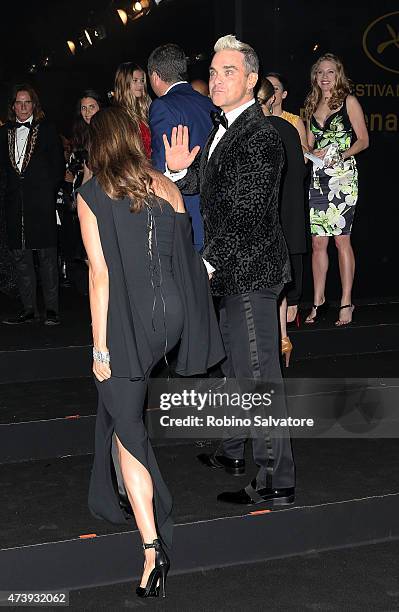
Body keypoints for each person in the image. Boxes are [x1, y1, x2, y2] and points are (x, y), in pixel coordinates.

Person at [77, 106, 224, 598]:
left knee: (129, 426)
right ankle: (112, 492)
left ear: (97, 145)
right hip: (174, 319)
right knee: (118, 409)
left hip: (129, 322)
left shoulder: (92, 191)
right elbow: (186, 252)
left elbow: (100, 274)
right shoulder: (165, 185)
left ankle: (152, 545)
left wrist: (100, 348)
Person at [164, 35, 295, 507]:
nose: (217, 80)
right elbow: (207, 180)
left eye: (228, 72)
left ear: (251, 80)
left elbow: (244, 214)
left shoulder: (261, 136)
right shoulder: (228, 127)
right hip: (232, 273)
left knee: (259, 380)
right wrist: (180, 172)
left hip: (251, 274)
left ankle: (276, 479)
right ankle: (239, 453)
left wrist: (205, 262)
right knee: (240, 373)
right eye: (214, 72)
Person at [304, 53, 369, 326]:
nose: (325, 77)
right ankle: (318, 302)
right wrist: (312, 152)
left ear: (338, 75)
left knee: (342, 239)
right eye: (321, 72)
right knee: (318, 242)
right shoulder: (309, 105)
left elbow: (364, 140)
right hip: (318, 178)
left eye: (330, 72)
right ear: (315, 76)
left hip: (342, 178)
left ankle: (346, 302)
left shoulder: (348, 102)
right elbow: (307, 146)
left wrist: (340, 154)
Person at [0, 84, 64, 325]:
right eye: (19, 102)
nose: (23, 107)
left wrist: (47, 194)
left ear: (34, 105)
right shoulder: (4, 132)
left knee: (47, 257)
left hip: (42, 203)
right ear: (13, 106)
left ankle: (52, 310)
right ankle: (28, 309)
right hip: (14, 205)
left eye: (27, 102)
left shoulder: (46, 129)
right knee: (20, 258)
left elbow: (58, 166)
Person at [257, 78, 306, 366]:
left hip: (266, 220)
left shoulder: (255, 131)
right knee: (281, 283)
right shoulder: (287, 128)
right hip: (288, 216)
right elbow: (299, 174)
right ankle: (283, 338)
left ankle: (273, 345)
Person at [148, 43, 216, 251]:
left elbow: (162, 167)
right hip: (214, 209)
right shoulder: (209, 103)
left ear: (155, 76)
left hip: (185, 214)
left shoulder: (162, 106)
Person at [113, 62, 152, 158]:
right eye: (135, 80)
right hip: (136, 169)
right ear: (124, 83)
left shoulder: (146, 108)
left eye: (142, 80)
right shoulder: (118, 115)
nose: (140, 84)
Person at [266, 72, 309, 154]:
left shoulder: (295, 121)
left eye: (275, 89)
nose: (270, 92)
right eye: (267, 88)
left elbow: (305, 157)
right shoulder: (255, 118)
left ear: (284, 94)